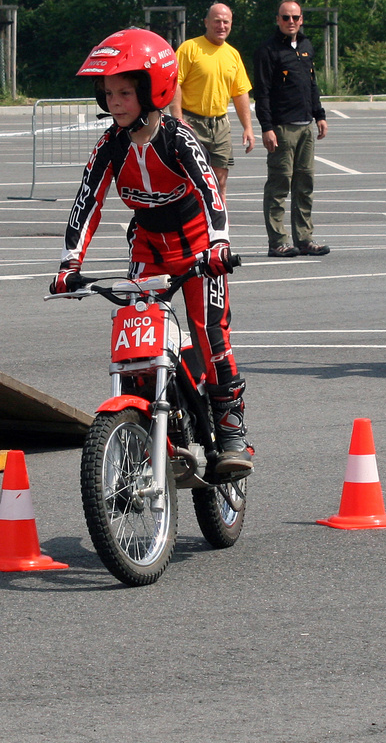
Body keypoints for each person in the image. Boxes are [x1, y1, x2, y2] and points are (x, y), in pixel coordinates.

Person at [57, 27, 252, 479]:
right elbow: (87, 202)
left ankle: (231, 433)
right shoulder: (110, 145)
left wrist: (220, 244)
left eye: (125, 92)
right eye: (108, 93)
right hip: (147, 244)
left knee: (211, 337)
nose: (115, 102)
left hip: (199, 246)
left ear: (153, 89)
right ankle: (155, 429)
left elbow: (210, 192)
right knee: (137, 339)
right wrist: (70, 264)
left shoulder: (178, 138)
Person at [251, 0, 329, 258]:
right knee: (279, 185)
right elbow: (261, 93)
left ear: (302, 19)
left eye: (295, 17)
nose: (291, 22)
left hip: (306, 125)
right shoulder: (268, 51)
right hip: (282, 128)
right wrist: (267, 127)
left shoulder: (306, 46)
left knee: (305, 184)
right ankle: (278, 241)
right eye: (286, 17)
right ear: (278, 20)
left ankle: (304, 238)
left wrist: (319, 115)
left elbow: (312, 83)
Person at [167, 2, 254, 194]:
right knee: (189, 182)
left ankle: (218, 223)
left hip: (220, 126)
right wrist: (178, 120)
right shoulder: (190, 48)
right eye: (217, 21)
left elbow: (240, 92)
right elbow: (175, 83)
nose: (221, 26)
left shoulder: (233, 54)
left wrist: (248, 127)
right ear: (206, 22)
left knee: (219, 182)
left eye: (226, 22)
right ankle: (190, 222)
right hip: (191, 122)